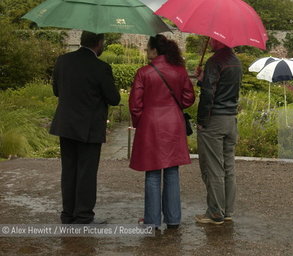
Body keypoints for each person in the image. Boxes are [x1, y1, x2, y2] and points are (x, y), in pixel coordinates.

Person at [50, 31, 120, 224]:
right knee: (86, 172)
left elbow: (57, 90)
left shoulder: (63, 61)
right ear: (99, 43)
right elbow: (114, 98)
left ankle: (67, 213)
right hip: (89, 127)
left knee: (69, 169)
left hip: (66, 125)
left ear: (81, 41)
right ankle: (83, 214)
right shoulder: (101, 67)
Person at [129, 35, 195, 230]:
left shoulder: (143, 72)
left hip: (151, 125)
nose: (146, 52)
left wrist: (141, 123)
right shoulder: (180, 71)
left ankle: (152, 220)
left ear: (155, 51)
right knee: (172, 171)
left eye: (148, 49)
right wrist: (175, 108)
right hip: (174, 124)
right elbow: (188, 98)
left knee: (153, 172)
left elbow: (135, 105)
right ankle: (173, 219)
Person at [194, 38, 242, 225]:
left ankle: (215, 212)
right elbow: (223, 88)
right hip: (231, 120)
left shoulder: (215, 61)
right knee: (228, 167)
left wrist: (201, 121)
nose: (210, 40)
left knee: (213, 167)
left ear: (218, 39)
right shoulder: (236, 61)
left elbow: (209, 94)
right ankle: (227, 210)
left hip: (214, 120)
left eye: (212, 37)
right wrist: (202, 80)